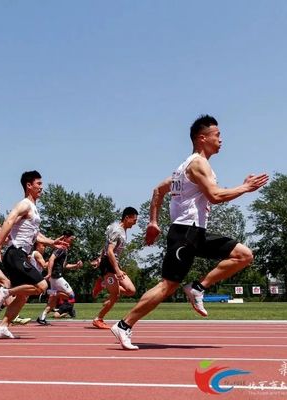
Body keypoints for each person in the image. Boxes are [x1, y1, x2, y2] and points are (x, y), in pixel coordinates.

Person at [111, 114, 269, 350]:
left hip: (197, 232)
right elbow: (215, 196)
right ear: (202, 138)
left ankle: (197, 288)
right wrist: (245, 188)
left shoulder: (182, 168)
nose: (221, 140)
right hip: (185, 233)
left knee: (243, 255)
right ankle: (124, 325)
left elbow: (157, 190)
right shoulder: (197, 164)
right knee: (167, 285)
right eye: (217, 135)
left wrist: (153, 222)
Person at [0, 170, 66, 338]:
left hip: (22, 254)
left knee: (23, 296)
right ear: (29, 185)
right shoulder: (24, 204)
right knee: (42, 287)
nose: (42, 187)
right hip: (15, 252)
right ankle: (6, 292)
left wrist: (52, 242)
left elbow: (36, 235)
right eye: (38, 184)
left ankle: (2, 327)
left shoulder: (34, 209)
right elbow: (8, 221)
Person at [92, 207, 138, 329]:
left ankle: (102, 285)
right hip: (109, 264)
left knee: (131, 290)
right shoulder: (117, 230)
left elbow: (106, 246)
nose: (135, 223)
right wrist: (116, 270)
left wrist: (99, 258)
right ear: (127, 217)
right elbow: (110, 251)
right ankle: (98, 319)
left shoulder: (120, 229)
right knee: (115, 294)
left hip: (113, 263)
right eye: (134, 220)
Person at [36, 229, 83, 325]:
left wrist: (75, 266)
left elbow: (64, 265)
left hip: (55, 277)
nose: (72, 241)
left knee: (52, 302)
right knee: (71, 296)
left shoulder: (64, 249)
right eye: (71, 238)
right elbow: (51, 259)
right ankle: (50, 292)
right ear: (66, 238)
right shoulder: (60, 248)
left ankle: (42, 317)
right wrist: (49, 273)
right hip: (57, 276)